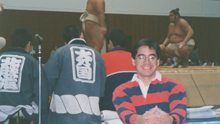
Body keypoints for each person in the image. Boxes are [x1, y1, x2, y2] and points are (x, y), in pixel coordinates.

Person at [113, 39, 187, 124]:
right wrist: (142, 120)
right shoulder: (121, 91)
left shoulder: (175, 87)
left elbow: (180, 115)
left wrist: (170, 120)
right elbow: (127, 117)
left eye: (152, 57)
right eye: (141, 57)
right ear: (133, 61)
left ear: (158, 61)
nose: (147, 62)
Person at [44, 25, 106, 124]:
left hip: (64, 115)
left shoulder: (60, 53)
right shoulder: (98, 56)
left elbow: (46, 83)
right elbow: (102, 90)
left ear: (65, 42)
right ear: (81, 35)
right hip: (91, 115)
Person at [0, 28, 49, 124]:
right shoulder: (32, 62)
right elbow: (41, 92)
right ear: (28, 43)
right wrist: (34, 112)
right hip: (22, 116)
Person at [99, 29, 136, 111]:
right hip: (134, 108)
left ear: (110, 43)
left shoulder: (101, 59)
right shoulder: (135, 59)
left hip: (109, 108)